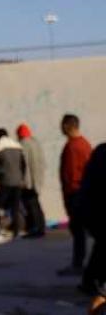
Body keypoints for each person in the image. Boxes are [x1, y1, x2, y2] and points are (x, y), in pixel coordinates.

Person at [60, 114, 94, 278]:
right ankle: (79, 263)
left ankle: (78, 264)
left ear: (67, 126)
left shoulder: (73, 147)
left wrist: (71, 197)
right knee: (80, 231)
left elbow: (72, 175)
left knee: (78, 230)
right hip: (82, 193)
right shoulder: (85, 144)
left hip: (76, 194)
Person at [0, 127, 27, 239]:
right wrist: (22, 179)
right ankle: (16, 232)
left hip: (5, 181)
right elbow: (23, 165)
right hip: (18, 182)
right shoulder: (18, 145)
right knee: (15, 207)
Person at [77, 143, 106, 304]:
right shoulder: (102, 153)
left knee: (101, 247)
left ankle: (90, 281)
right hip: (97, 210)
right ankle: (95, 283)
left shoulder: (100, 151)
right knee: (102, 247)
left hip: (91, 210)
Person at [17, 123, 47, 237]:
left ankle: (35, 228)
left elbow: (23, 166)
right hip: (37, 180)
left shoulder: (23, 144)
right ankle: (40, 227)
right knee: (36, 203)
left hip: (28, 182)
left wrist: (23, 181)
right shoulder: (36, 143)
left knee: (31, 205)